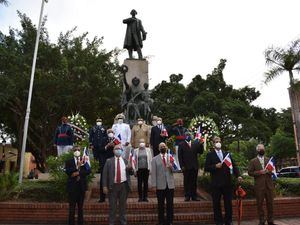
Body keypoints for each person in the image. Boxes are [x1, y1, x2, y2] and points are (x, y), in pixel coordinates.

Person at [204, 137, 242, 225]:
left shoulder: (226, 154)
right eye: (216, 142)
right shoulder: (210, 155)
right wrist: (215, 166)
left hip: (227, 182)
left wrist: (238, 175)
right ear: (213, 144)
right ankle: (218, 221)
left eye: (219, 141)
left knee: (228, 203)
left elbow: (234, 165)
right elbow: (206, 168)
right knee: (216, 203)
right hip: (216, 183)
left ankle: (228, 220)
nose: (218, 143)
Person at [102, 145, 133, 225]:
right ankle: (111, 222)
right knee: (113, 206)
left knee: (123, 206)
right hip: (113, 187)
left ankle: (123, 222)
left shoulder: (126, 161)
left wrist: (130, 168)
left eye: (119, 149)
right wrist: (104, 186)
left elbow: (131, 173)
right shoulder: (109, 161)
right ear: (113, 151)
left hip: (124, 186)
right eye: (116, 149)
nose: (118, 150)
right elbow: (104, 175)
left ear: (122, 151)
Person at [248, 144, 277, 225]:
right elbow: (249, 172)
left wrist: (269, 171)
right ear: (257, 150)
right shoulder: (253, 161)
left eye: (263, 149)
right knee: (260, 204)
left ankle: (270, 220)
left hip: (269, 185)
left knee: (270, 203)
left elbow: (274, 171)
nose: (262, 150)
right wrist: (259, 172)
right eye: (261, 149)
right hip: (259, 186)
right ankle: (262, 220)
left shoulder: (269, 160)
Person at [65, 146, 91, 225]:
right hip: (72, 188)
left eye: (78, 150)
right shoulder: (69, 161)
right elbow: (68, 171)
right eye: (75, 150)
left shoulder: (84, 160)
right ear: (73, 151)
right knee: (72, 208)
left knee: (80, 208)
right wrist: (77, 166)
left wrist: (78, 173)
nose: (77, 151)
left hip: (81, 187)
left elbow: (88, 171)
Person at [151, 142, 175, 225]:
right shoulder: (154, 159)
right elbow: (153, 173)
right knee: (160, 205)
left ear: (166, 147)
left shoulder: (170, 157)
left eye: (164, 146)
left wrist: (172, 167)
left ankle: (170, 221)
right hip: (160, 186)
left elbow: (175, 170)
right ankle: (161, 221)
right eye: (161, 146)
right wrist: (154, 185)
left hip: (170, 185)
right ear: (158, 148)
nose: (163, 147)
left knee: (170, 204)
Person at [178, 132, 204, 201]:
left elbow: (201, 152)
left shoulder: (195, 144)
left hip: (194, 166)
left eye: (189, 135)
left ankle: (194, 196)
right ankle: (187, 196)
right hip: (186, 167)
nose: (188, 136)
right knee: (187, 182)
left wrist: (201, 145)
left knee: (194, 182)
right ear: (184, 136)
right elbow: (180, 157)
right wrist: (182, 166)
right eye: (187, 135)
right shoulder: (181, 144)